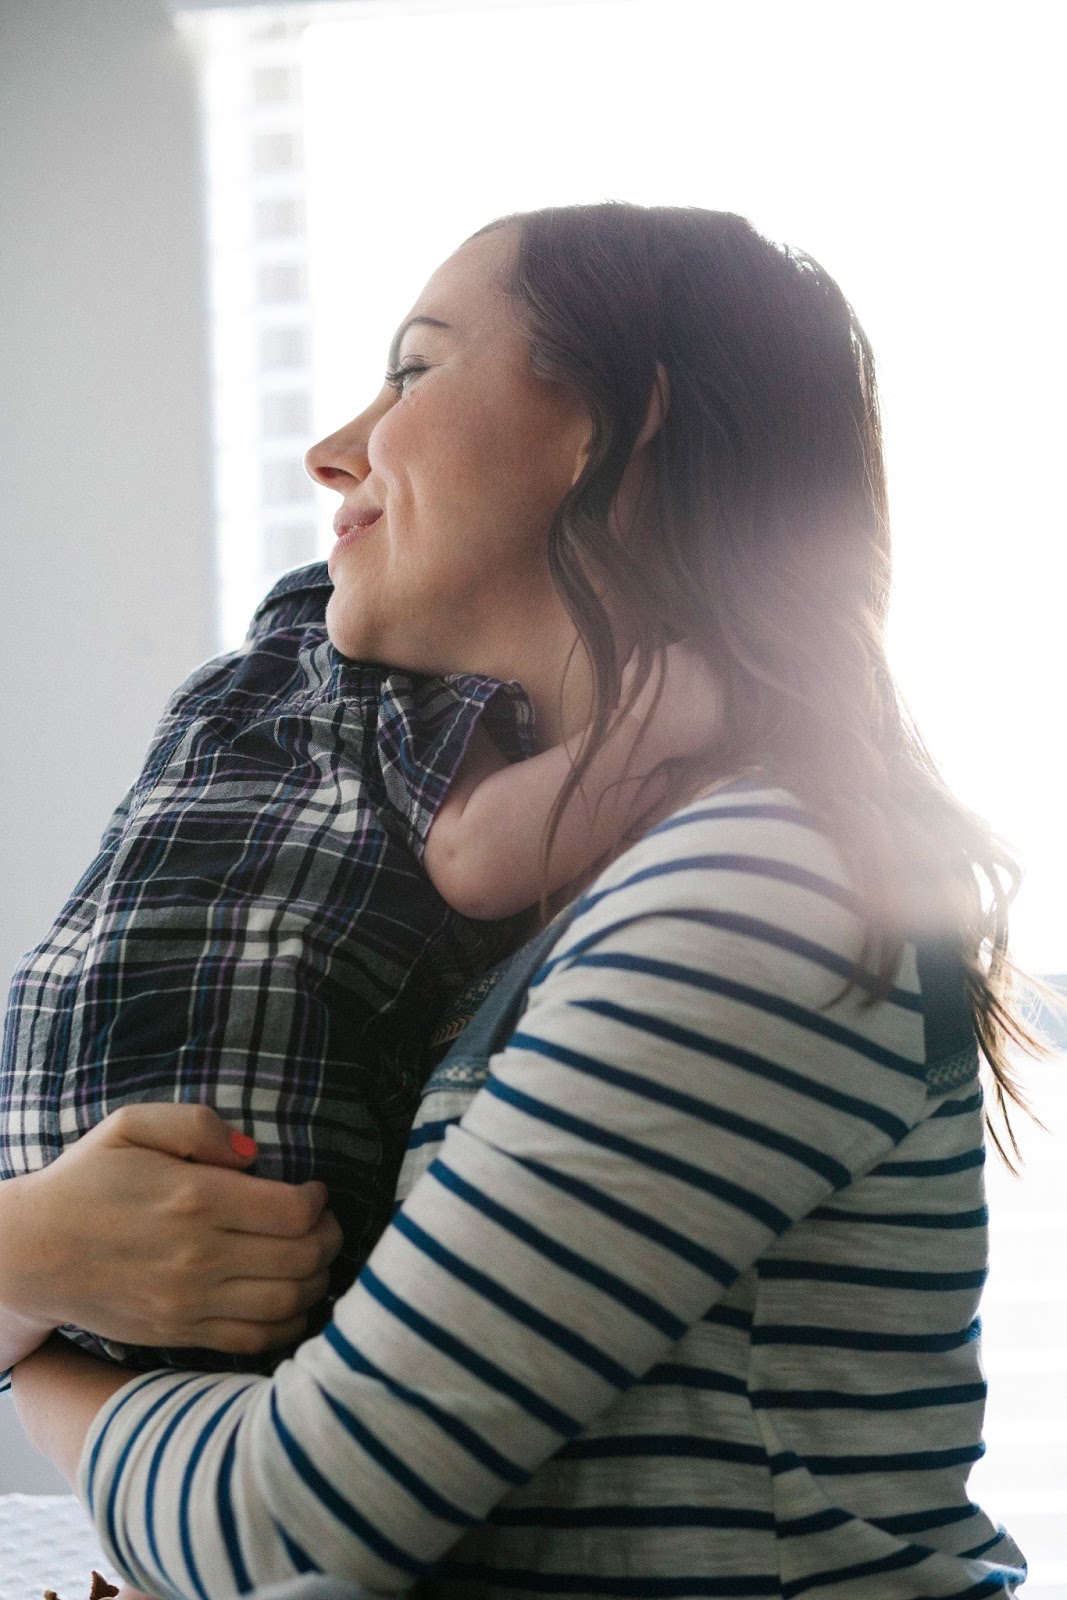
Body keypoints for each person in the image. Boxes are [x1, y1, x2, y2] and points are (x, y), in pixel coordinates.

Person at [7, 202, 1037, 1599]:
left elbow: (288, 1527)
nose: (335, 450)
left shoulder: (758, 886)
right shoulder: (571, 893)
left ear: (617, 429)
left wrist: (40, 1340)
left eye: (416, 371)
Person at [1, 506, 711, 1371]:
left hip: (47, 1142)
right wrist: (658, 720)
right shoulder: (379, 670)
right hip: (227, 1178)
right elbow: (475, 854)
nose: (339, 462)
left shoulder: (223, 693)